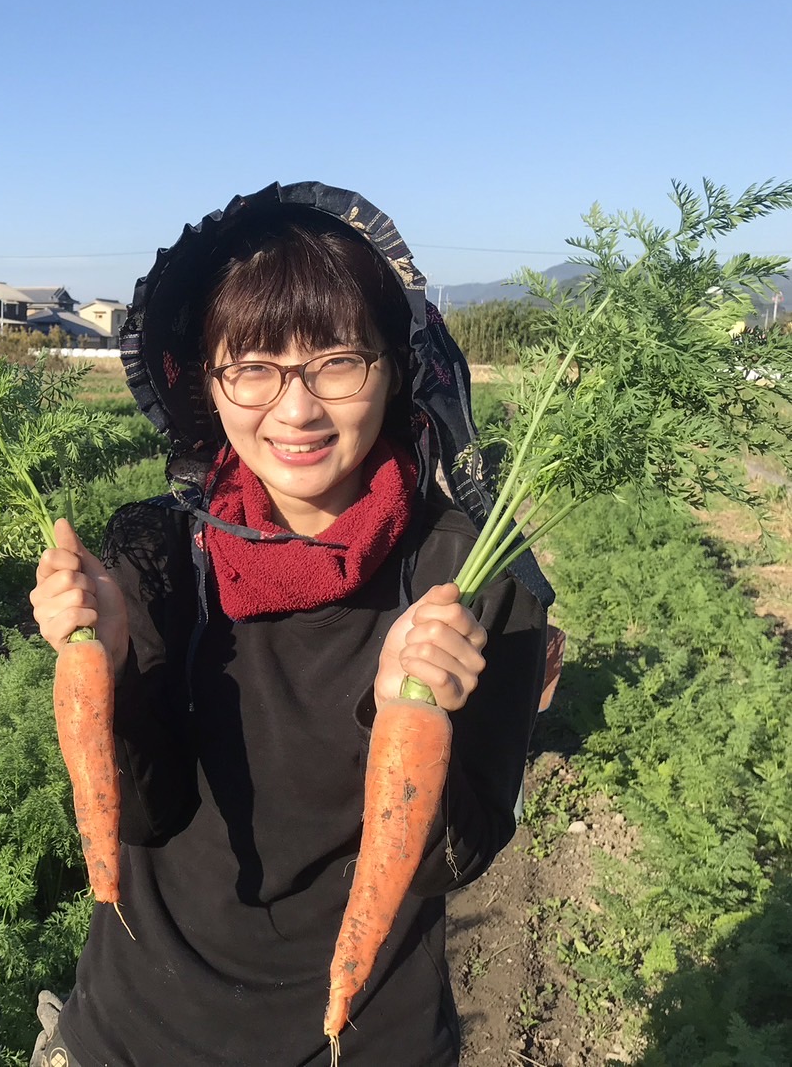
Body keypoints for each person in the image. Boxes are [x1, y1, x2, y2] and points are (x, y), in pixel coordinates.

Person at [27, 181, 552, 1067]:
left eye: (336, 361)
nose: (295, 409)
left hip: (358, 1036)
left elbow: (461, 854)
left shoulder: (468, 581)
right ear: (209, 382)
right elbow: (143, 817)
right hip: (133, 1031)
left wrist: (409, 714)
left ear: (394, 369)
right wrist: (107, 669)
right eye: (254, 367)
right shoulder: (159, 552)